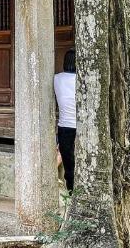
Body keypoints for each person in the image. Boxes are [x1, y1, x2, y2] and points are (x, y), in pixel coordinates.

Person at [54, 49, 76, 192]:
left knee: (69, 164)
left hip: (64, 126)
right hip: (80, 125)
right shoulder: (83, 78)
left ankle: (71, 191)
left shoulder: (57, 78)